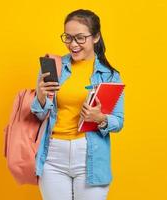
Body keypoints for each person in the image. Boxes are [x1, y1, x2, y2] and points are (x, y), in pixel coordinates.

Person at [30, 9, 124, 200]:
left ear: (96, 37)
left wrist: (100, 119)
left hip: (90, 156)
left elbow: (119, 122)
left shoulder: (110, 75)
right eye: (68, 37)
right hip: (53, 156)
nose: (73, 45)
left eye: (80, 38)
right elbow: (38, 117)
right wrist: (40, 97)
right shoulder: (52, 66)